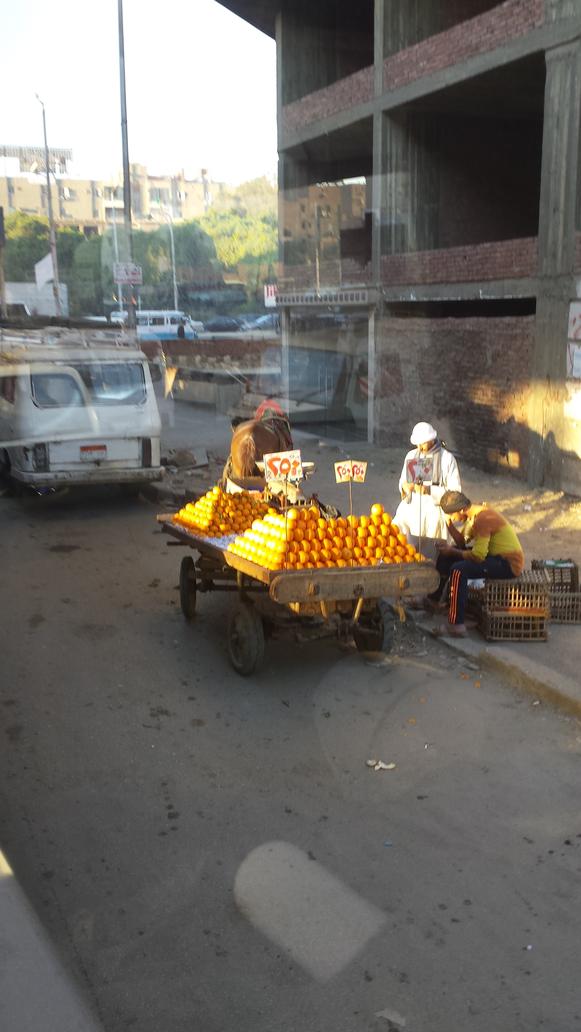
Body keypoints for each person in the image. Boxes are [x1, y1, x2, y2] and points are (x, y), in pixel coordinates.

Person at [427, 490, 525, 637]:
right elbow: (462, 542)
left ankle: (456, 624)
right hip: (493, 556)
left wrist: (453, 551)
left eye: (452, 515)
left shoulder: (482, 518)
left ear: (461, 510)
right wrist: (449, 525)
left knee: (458, 571)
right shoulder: (473, 516)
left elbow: (478, 556)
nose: (452, 518)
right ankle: (433, 601)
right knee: (446, 557)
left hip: (508, 564)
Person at [393, 422, 462, 559]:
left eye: (423, 443)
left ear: (431, 439)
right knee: (406, 550)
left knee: (430, 554)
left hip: (434, 513)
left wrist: (429, 490)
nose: (420, 447)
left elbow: (455, 492)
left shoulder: (447, 459)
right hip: (412, 510)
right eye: (417, 444)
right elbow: (402, 480)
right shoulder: (411, 455)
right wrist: (405, 486)